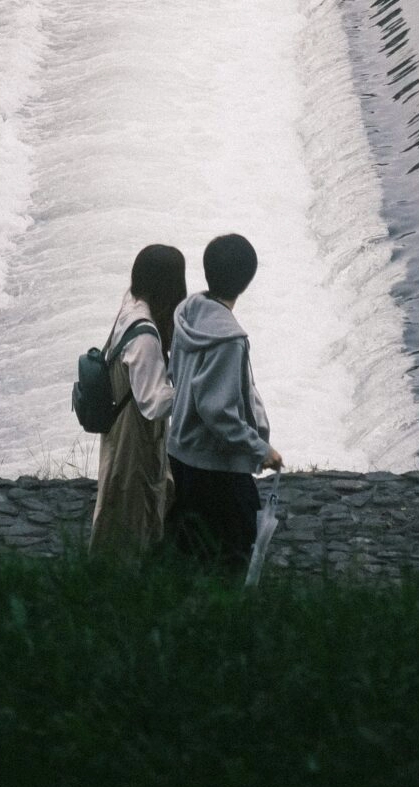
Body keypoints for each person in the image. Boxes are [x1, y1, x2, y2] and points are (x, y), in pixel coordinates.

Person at [166, 231, 283, 575]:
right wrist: (260, 449)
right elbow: (217, 411)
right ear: (247, 280)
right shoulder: (230, 339)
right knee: (233, 556)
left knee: (186, 555)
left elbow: (175, 374)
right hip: (215, 468)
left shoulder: (187, 314)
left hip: (179, 456)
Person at [89, 242, 188, 557]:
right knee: (134, 503)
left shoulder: (131, 306)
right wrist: (191, 390)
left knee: (115, 494)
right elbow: (153, 403)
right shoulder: (145, 336)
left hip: (119, 422)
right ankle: (126, 573)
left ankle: (108, 566)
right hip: (135, 432)